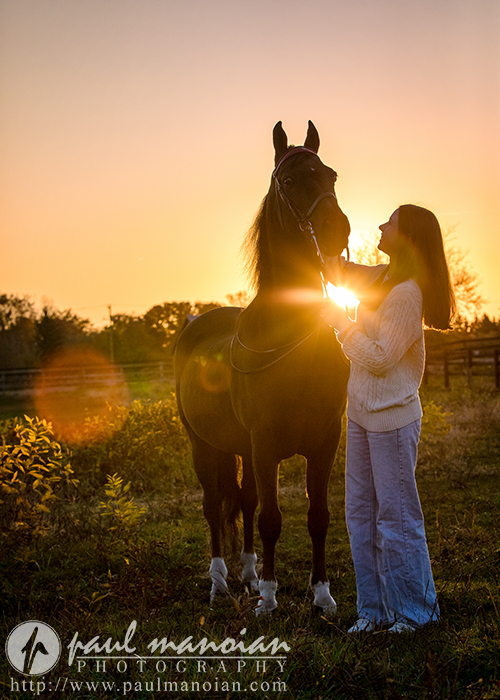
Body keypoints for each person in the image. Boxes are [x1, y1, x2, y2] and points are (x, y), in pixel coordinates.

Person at [324, 204, 455, 634]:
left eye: (391, 222)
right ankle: (374, 610)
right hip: (361, 414)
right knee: (360, 513)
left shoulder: (406, 293)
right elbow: (343, 271)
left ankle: (415, 611)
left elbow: (381, 359)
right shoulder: (383, 277)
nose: (381, 226)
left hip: (393, 419)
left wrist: (343, 327)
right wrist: (324, 243)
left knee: (396, 517)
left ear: (408, 238)